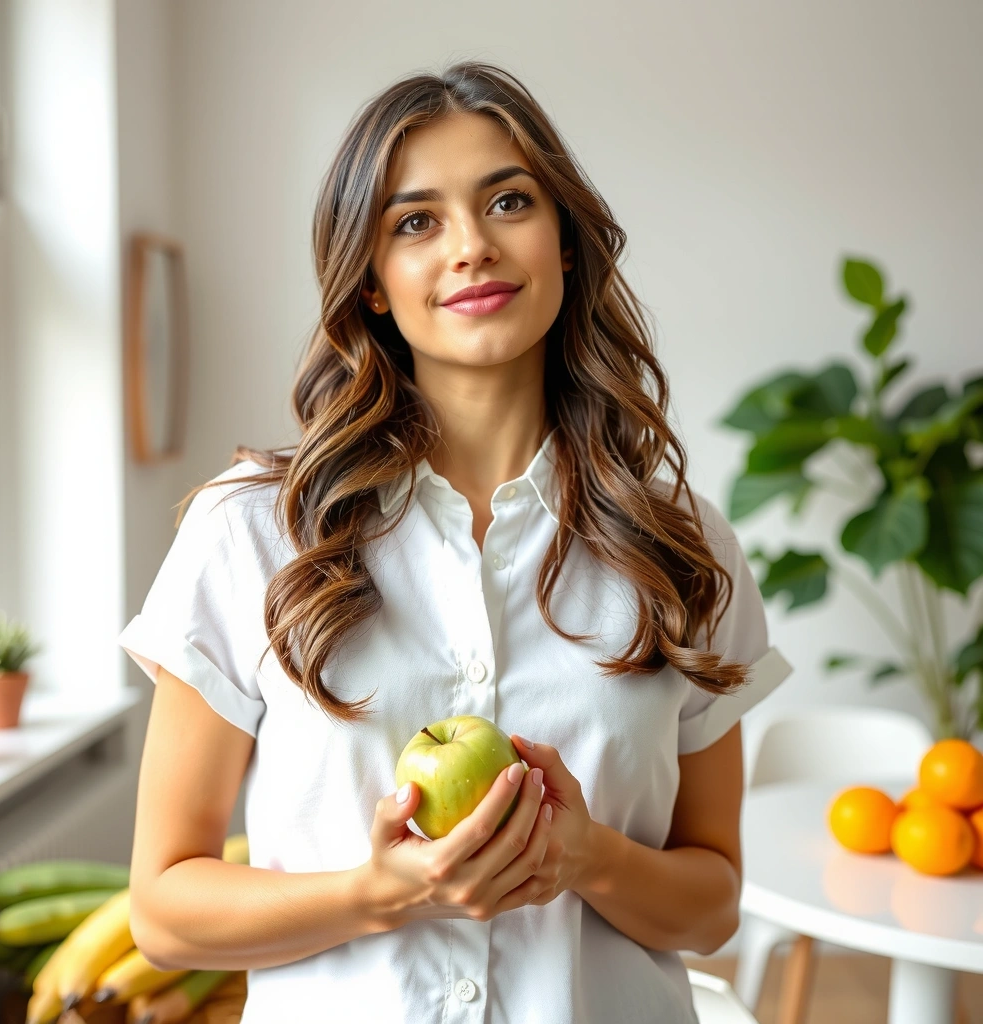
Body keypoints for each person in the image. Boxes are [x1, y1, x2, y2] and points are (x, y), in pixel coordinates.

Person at [118, 60, 792, 1024]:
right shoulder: (255, 530)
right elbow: (165, 910)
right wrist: (381, 892)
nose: (471, 247)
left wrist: (589, 856)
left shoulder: (681, 547)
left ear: (565, 245)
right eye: (416, 221)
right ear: (376, 284)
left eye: (509, 201)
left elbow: (711, 905)